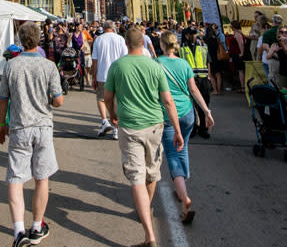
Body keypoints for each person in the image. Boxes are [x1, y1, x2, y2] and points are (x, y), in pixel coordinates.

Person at [104, 26, 183, 247]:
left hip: (129, 127)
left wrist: (112, 114)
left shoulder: (117, 66)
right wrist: (177, 130)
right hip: (156, 127)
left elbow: (107, 97)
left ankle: (149, 235)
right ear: (144, 43)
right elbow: (168, 101)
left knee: (136, 178)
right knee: (151, 173)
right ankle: (145, 209)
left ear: (126, 44)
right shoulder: (155, 66)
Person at [0, 22, 64, 247]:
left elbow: (3, 99)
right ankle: (37, 226)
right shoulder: (49, 66)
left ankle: (18, 231)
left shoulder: (11, 66)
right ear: (38, 40)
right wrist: (51, 99)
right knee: (41, 178)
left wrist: (1, 124)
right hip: (43, 128)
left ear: (20, 39)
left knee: (16, 180)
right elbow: (58, 100)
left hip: (19, 128)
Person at [157, 31, 212, 225]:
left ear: (162, 45)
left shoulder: (157, 64)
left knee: (172, 154)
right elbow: (194, 89)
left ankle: (184, 196)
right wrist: (206, 111)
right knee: (184, 147)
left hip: (168, 115)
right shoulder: (184, 63)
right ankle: (182, 184)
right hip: (188, 113)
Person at [90, 20, 127, 140]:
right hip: (118, 74)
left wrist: (94, 76)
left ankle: (105, 121)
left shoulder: (98, 40)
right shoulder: (120, 39)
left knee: (101, 99)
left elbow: (94, 60)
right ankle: (116, 128)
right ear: (114, 27)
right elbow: (125, 58)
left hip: (102, 74)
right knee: (116, 100)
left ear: (103, 28)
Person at [179, 28, 211, 138]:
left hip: (203, 79)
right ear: (187, 35)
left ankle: (203, 128)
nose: (194, 36)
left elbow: (208, 62)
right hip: (190, 79)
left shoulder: (202, 46)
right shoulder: (182, 48)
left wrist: (209, 77)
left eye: (195, 33)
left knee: (204, 104)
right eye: (191, 34)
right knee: (191, 106)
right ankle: (192, 128)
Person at [204, 23, 226, 94]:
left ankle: (215, 90)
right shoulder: (217, 39)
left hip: (210, 58)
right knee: (218, 74)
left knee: (211, 75)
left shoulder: (206, 40)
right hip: (217, 57)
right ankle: (219, 90)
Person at [227, 23, 247, 92]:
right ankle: (242, 86)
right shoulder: (238, 33)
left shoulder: (238, 34)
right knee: (240, 70)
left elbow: (241, 44)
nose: (231, 28)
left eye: (231, 26)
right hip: (235, 54)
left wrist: (241, 53)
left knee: (240, 71)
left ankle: (243, 87)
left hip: (237, 54)